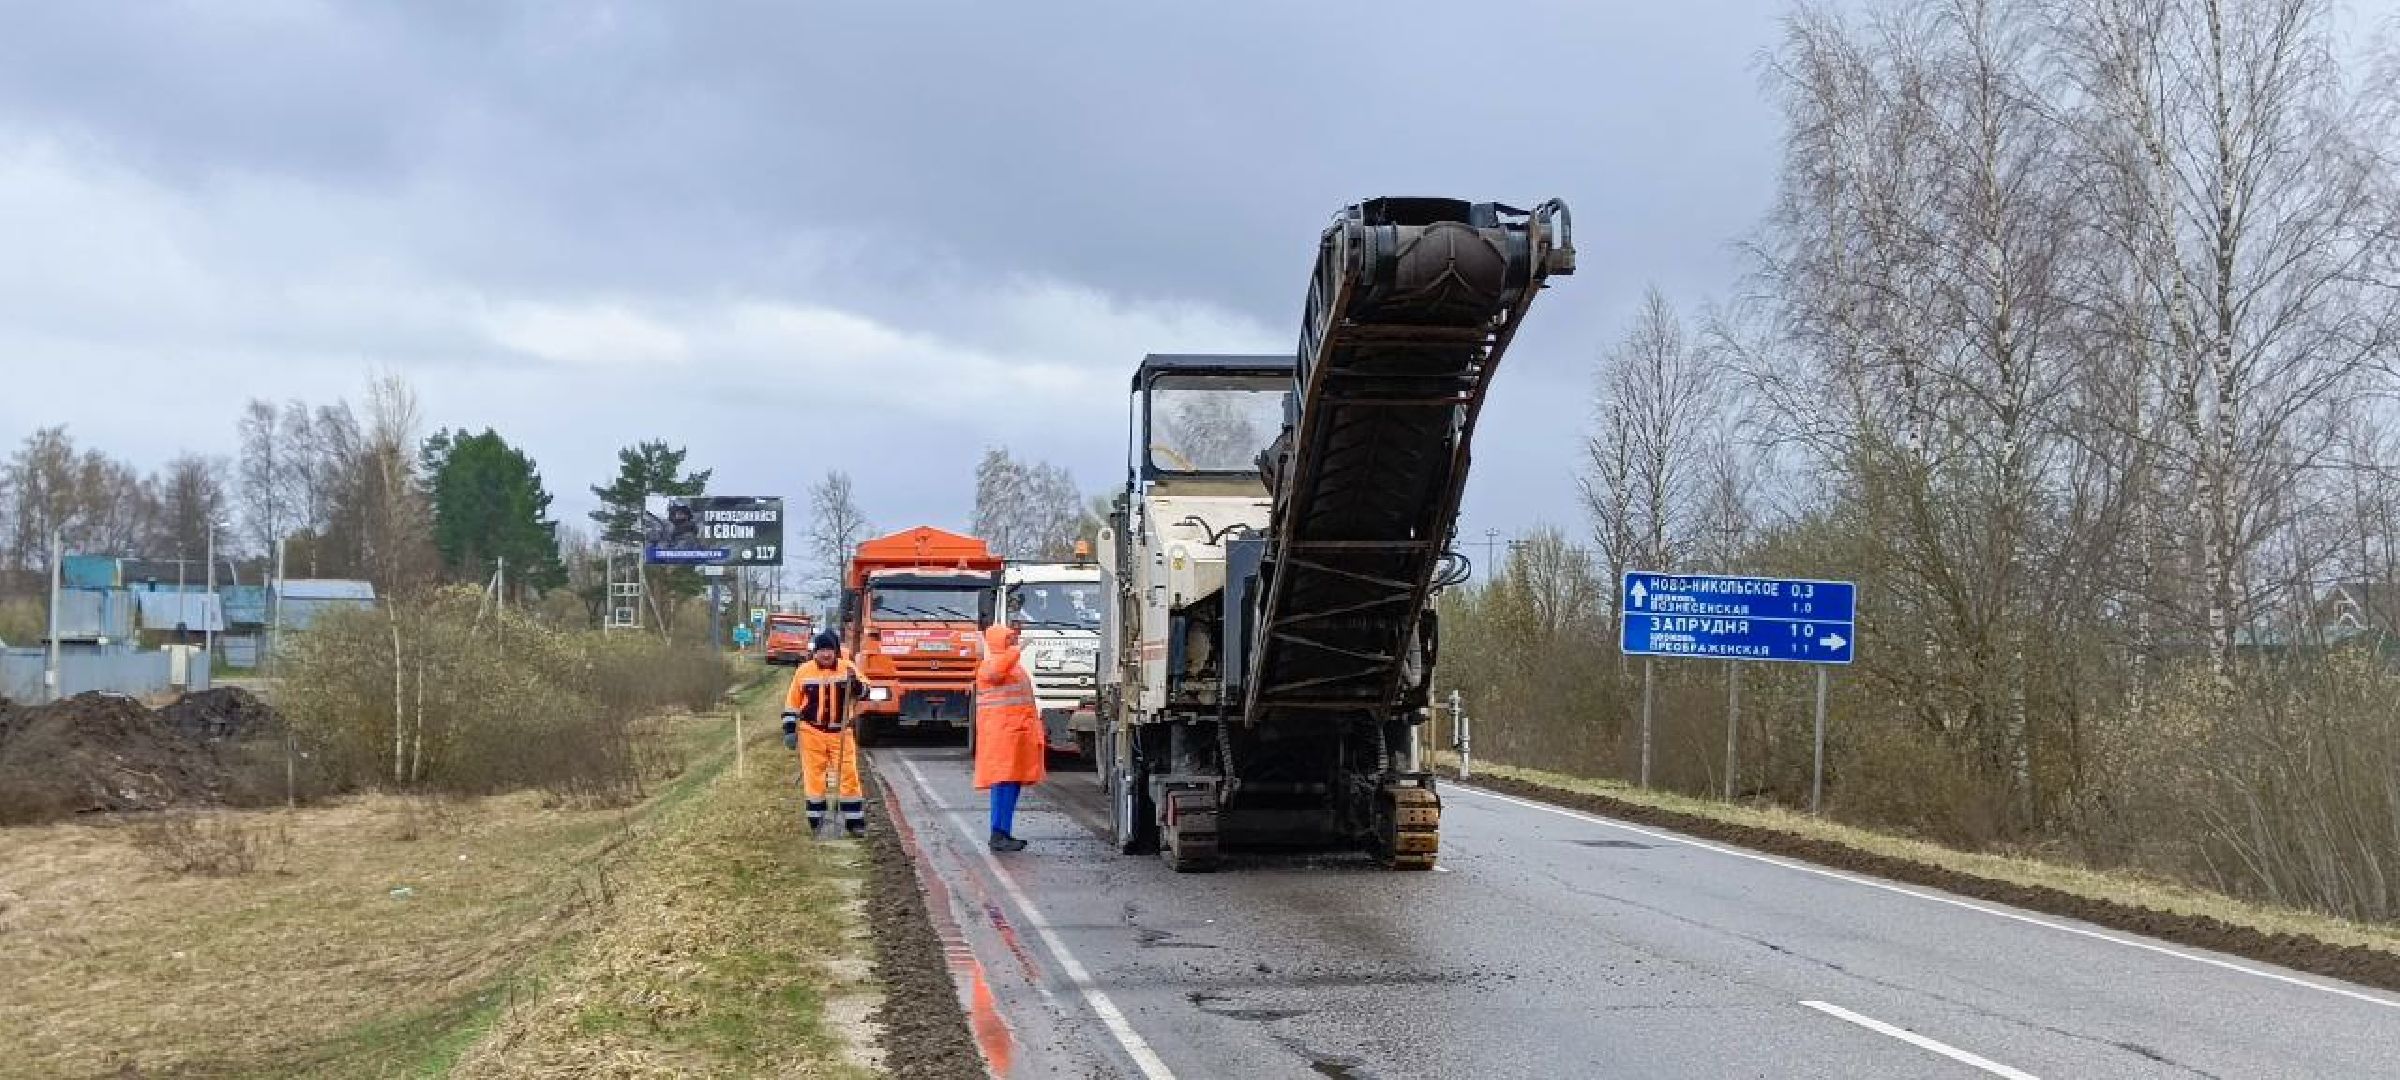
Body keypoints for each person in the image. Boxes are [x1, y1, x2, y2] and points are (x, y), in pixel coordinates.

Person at [783, 629, 868, 838]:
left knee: (849, 775)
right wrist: (789, 729)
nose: (826, 654)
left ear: (836, 651)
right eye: (822, 650)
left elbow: (866, 691)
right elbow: (792, 703)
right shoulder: (803, 672)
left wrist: (856, 685)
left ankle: (854, 822)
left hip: (841, 732)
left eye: (830, 649)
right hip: (812, 732)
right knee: (814, 777)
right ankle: (817, 822)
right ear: (815, 652)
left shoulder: (848, 668)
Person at [974, 620, 1046, 851]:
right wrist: (1017, 650)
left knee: (1011, 782)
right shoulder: (991, 665)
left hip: (1014, 733)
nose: (1013, 641)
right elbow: (997, 672)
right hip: (1003, 735)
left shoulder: (1012, 666)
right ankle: (999, 833)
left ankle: (1003, 832)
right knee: (1004, 782)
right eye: (1008, 638)